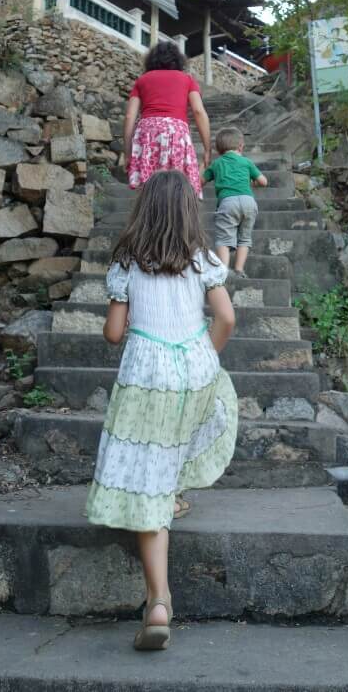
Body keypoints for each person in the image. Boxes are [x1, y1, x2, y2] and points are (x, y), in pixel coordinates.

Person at [85, 170, 238, 651]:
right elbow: (227, 318)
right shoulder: (202, 260)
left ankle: (158, 600)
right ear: (190, 214)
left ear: (143, 211)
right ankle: (170, 492)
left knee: (148, 463)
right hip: (195, 365)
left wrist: (125, 310)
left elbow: (114, 334)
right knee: (195, 415)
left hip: (147, 371)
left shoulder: (127, 262)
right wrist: (205, 355)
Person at [124, 41, 211, 195]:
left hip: (147, 132)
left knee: (149, 186)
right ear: (178, 60)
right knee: (177, 185)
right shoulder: (187, 79)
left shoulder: (142, 80)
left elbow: (130, 115)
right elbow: (198, 111)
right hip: (176, 132)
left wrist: (128, 153)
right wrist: (207, 148)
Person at [202, 126, 268, 279]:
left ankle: (223, 271)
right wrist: (252, 183)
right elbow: (263, 182)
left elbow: (200, 182)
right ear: (241, 146)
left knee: (224, 240)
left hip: (228, 203)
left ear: (218, 150)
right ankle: (239, 270)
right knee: (245, 238)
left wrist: (203, 166)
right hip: (249, 202)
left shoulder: (217, 164)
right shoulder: (246, 162)